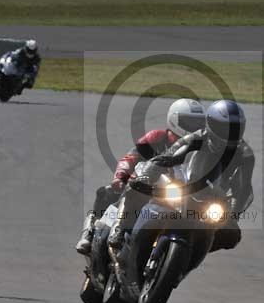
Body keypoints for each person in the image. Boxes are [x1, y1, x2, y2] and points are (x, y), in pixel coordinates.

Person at [108, 100, 254, 254]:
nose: (230, 134)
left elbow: (244, 188)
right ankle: (119, 228)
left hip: (209, 194)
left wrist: (233, 215)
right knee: (135, 189)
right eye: (224, 128)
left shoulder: (245, 153)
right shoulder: (192, 137)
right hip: (174, 184)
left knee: (231, 235)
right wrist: (143, 176)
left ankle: (194, 251)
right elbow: (167, 157)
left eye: (236, 129)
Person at [75, 98, 205, 254]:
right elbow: (132, 157)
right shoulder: (157, 137)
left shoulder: (201, 146)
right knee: (110, 195)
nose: (193, 127)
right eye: (189, 122)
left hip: (180, 193)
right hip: (147, 187)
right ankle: (95, 232)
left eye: (197, 123)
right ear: (174, 119)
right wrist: (121, 176)